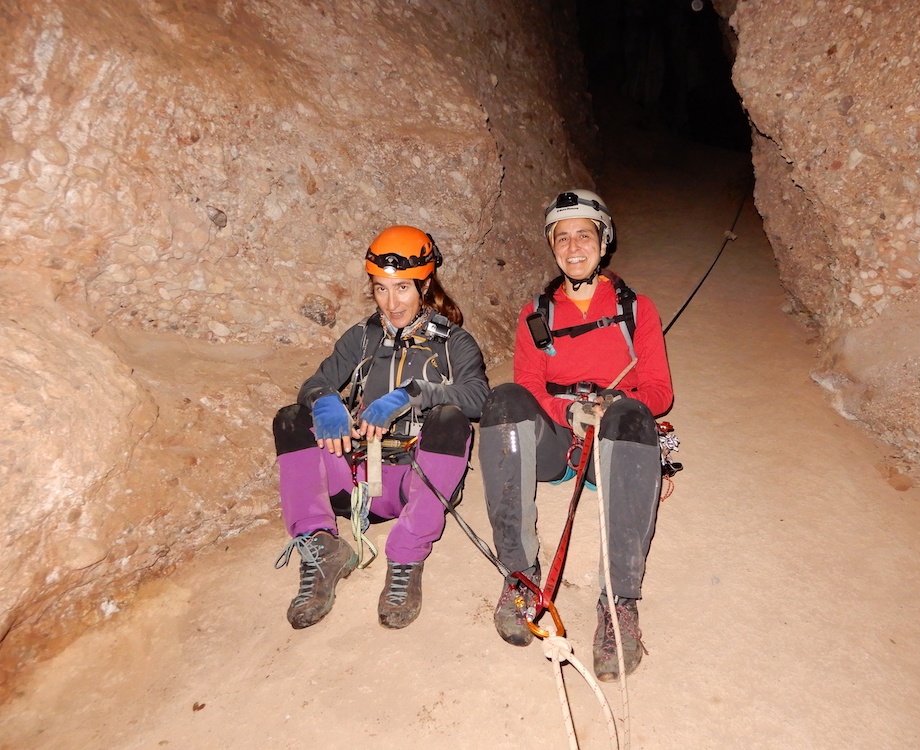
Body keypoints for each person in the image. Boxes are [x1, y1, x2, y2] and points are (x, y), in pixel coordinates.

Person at [478, 189, 673, 681]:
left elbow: (658, 391)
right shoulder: (536, 314)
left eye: (583, 235)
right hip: (559, 442)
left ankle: (618, 602)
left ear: (602, 243)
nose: (572, 247)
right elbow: (527, 386)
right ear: (552, 247)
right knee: (502, 400)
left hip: (612, 442)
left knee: (633, 415)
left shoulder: (636, 309)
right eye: (561, 238)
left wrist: (613, 408)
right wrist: (567, 411)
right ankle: (521, 574)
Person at [273, 225, 489, 631]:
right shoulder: (361, 337)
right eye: (381, 289)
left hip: (411, 481)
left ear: (424, 284)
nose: (392, 303)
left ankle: (406, 555)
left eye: (403, 288)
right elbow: (315, 382)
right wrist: (325, 401)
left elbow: (478, 396)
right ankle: (322, 547)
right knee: (290, 418)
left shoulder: (454, 342)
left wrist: (415, 393)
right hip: (353, 482)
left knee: (451, 419)